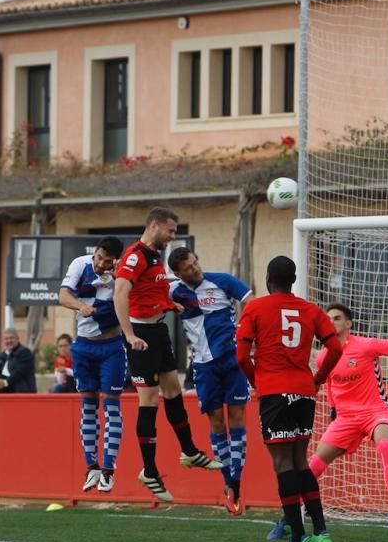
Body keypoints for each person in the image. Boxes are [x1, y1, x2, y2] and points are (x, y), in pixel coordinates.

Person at [268, 302, 388, 539]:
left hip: (375, 411)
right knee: (314, 463)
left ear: (348, 323)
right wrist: (335, 408)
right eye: (327, 318)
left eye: (336, 318)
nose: (331, 322)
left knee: (385, 445)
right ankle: (288, 517)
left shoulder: (366, 345)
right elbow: (330, 382)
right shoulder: (323, 356)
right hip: (346, 417)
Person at [236, 256, 343, 542]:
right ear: (293, 280)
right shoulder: (310, 309)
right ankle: (320, 529)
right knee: (300, 460)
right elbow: (336, 348)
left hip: (274, 391)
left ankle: (297, 537)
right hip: (304, 392)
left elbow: (242, 356)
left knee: (282, 463)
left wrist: (259, 381)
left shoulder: (255, 308)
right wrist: (318, 379)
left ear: (268, 277)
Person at [114, 207, 222, 502]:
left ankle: (189, 451)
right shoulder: (135, 255)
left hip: (158, 331)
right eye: (170, 230)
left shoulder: (153, 256)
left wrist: (166, 304)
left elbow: (148, 290)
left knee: (173, 390)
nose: (173, 235)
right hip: (142, 337)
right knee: (148, 400)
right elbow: (120, 292)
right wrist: (130, 335)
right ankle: (149, 470)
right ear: (154, 227)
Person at [168, 246, 253, 515]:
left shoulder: (223, 281)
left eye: (195, 262)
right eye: (188, 268)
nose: (195, 268)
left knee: (237, 418)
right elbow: (140, 292)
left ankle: (236, 481)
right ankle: (227, 481)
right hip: (204, 367)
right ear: (178, 274)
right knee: (216, 422)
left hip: (232, 361)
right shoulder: (174, 291)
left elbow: (252, 303)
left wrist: (247, 335)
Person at [59, 236, 126, 492]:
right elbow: (63, 295)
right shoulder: (81, 264)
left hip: (111, 346)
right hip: (83, 346)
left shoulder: (122, 275)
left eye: (107, 262)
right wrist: (80, 306)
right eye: (99, 258)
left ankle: (109, 469)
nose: (101, 264)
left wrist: (120, 277)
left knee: (111, 406)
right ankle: (92, 467)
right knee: (88, 406)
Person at [0, 328, 37, 393]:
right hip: (5, 393)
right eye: (6, 338)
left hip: (23, 393)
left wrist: (4, 383)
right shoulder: (1, 356)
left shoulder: (25, 353)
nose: (9, 341)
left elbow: (18, 373)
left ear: (17, 338)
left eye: (11, 338)